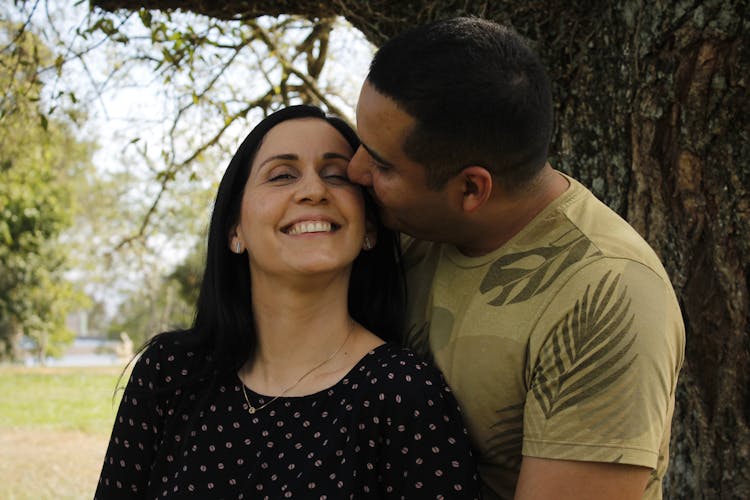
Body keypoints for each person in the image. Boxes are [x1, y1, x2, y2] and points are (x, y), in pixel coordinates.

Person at [347, 17, 685, 500]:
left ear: (471, 188)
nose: (355, 169)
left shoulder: (607, 295)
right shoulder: (408, 229)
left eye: (382, 164)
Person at [95, 105, 482, 499]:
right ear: (235, 230)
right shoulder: (170, 373)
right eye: (282, 175)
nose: (314, 191)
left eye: (335, 175)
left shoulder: (404, 393)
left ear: (368, 228)